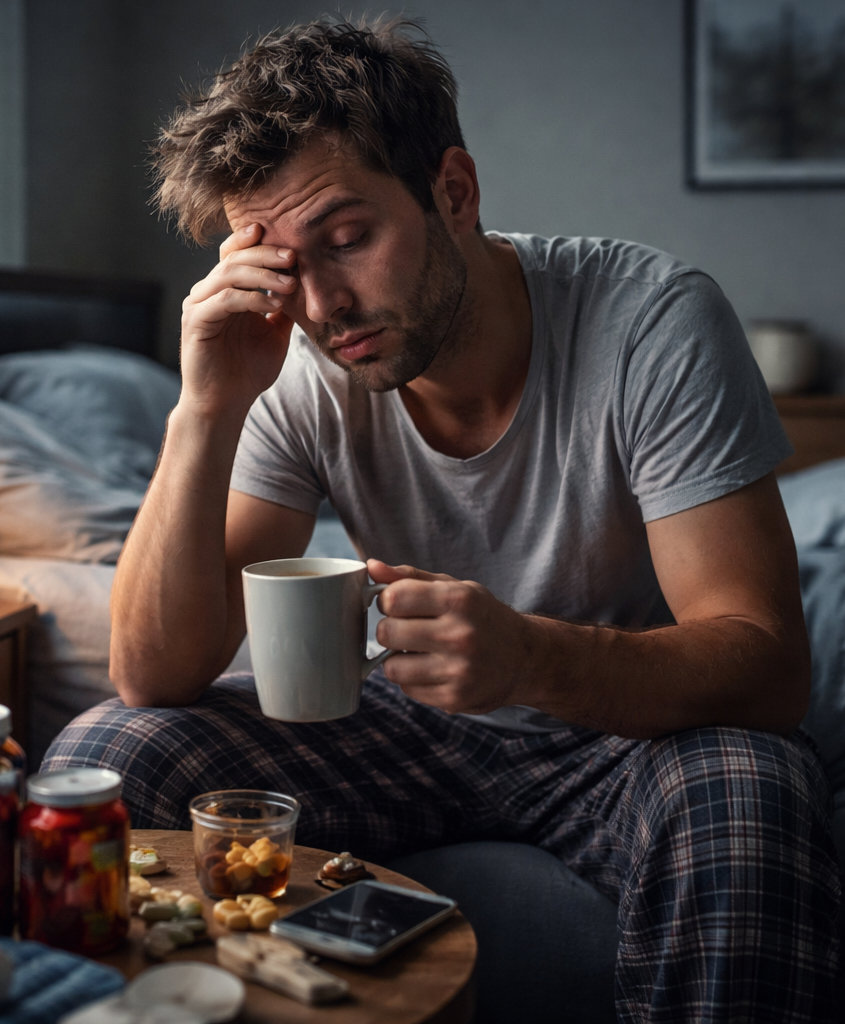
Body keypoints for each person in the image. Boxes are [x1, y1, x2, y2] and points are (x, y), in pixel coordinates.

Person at [44, 18, 840, 1021]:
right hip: (410, 725)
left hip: (626, 732)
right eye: (285, 265)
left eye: (346, 240)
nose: (325, 305)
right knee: (107, 757)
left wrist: (529, 660)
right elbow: (153, 673)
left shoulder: (650, 321)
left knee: (753, 791)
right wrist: (203, 406)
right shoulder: (295, 364)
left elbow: (767, 666)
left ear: (452, 193)